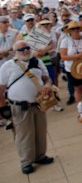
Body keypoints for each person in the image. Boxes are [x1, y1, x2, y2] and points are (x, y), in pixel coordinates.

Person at [0, 40, 54, 174]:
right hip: (20, 106)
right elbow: (1, 88)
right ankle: (26, 161)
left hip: (38, 103)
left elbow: (47, 78)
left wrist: (47, 85)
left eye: (27, 48)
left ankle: (40, 156)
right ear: (15, 52)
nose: (26, 51)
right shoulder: (7, 66)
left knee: (40, 131)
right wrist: (2, 108)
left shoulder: (37, 62)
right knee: (24, 134)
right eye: (21, 49)